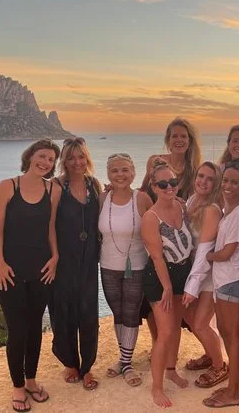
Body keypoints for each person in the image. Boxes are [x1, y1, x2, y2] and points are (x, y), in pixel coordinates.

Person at [0, 138, 61, 412]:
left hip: (42, 270)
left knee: (34, 328)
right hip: (9, 271)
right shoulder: (8, 186)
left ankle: (31, 380)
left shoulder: (53, 189)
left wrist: (55, 257)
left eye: (51, 159)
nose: (45, 162)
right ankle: (18, 386)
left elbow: (51, 227)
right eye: (42, 156)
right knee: (17, 329)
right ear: (30, 156)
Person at [48, 137, 102, 390]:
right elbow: (49, 225)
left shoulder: (95, 184)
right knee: (64, 312)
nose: (77, 162)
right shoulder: (56, 186)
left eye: (81, 156)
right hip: (64, 260)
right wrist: (54, 256)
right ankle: (70, 363)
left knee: (89, 313)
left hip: (89, 259)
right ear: (64, 161)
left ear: (86, 158)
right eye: (71, 157)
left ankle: (87, 366)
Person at [141, 160, 195, 407]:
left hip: (182, 273)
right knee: (164, 333)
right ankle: (157, 387)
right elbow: (157, 257)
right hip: (160, 278)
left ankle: (171, 370)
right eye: (162, 184)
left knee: (175, 327)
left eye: (172, 182)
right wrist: (167, 287)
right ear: (154, 187)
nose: (169, 187)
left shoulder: (182, 207)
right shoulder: (151, 217)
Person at [202, 160, 239, 408]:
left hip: (233, 280)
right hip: (224, 280)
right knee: (225, 331)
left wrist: (207, 255)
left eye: (235, 182)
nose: (228, 186)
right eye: (225, 180)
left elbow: (227, 253)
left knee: (232, 335)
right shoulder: (230, 211)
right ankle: (238, 383)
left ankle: (233, 392)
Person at [98, 153, 153, 387]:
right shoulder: (102, 198)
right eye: (115, 170)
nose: (120, 175)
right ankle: (124, 358)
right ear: (108, 174)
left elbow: (159, 221)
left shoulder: (142, 198)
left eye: (125, 170)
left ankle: (127, 363)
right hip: (107, 265)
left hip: (136, 266)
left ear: (133, 173)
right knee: (118, 313)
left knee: (131, 313)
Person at [182, 162, 227, 387]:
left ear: (216, 184)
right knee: (189, 317)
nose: (203, 181)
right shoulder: (191, 201)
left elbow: (204, 251)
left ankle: (220, 366)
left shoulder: (212, 210)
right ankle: (210, 354)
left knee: (200, 323)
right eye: (201, 176)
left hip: (207, 274)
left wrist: (192, 287)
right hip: (192, 270)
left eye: (210, 179)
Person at [142, 117, 202, 201]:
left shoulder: (194, 169)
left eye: (183, 136)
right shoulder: (154, 161)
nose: (179, 140)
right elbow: (143, 191)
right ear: (168, 140)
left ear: (189, 141)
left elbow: (193, 201)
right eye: (174, 136)